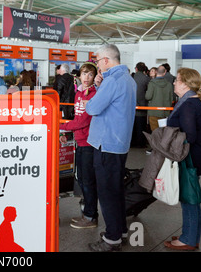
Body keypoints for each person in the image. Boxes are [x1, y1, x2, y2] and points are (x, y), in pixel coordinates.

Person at [85, 44, 137, 252]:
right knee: (116, 191)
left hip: (106, 143)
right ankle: (121, 229)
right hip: (120, 143)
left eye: (97, 60)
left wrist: (97, 88)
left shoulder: (112, 80)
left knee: (106, 194)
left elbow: (92, 108)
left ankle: (112, 238)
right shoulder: (128, 79)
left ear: (106, 60)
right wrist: (100, 86)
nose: (97, 64)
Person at [164, 68, 201, 251]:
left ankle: (189, 240)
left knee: (189, 199)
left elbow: (189, 135)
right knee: (190, 198)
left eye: (177, 80)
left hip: (188, 157)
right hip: (194, 154)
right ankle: (190, 234)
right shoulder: (195, 102)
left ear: (185, 83)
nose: (174, 82)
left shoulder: (189, 105)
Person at [60, 62, 98, 229]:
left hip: (89, 142)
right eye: (84, 74)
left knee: (87, 180)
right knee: (82, 178)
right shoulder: (79, 93)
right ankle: (88, 213)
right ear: (79, 76)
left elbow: (83, 120)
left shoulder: (94, 94)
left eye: (90, 74)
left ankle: (90, 216)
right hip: (80, 140)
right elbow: (77, 117)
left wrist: (62, 127)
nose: (87, 78)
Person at [145, 65, 174, 132]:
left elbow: (148, 97)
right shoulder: (169, 84)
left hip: (154, 112)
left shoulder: (152, 83)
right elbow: (171, 98)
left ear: (156, 72)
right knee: (164, 133)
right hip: (165, 112)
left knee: (155, 133)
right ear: (165, 72)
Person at [131, 62, 150, 148]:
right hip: (143, 106)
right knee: (141, 126)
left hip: (131, 107)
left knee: (133, 127)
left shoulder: (131, 77)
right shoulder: (147, 79)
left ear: (136, 69)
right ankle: (141, 143)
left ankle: (132, 143)